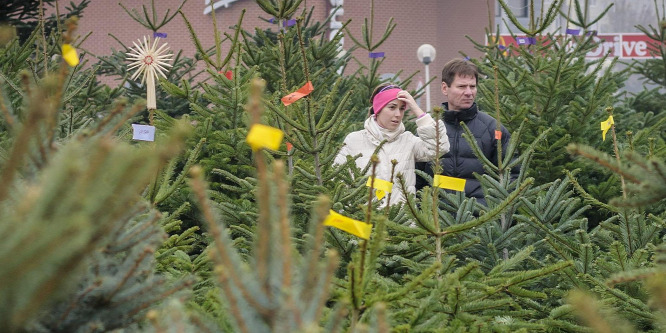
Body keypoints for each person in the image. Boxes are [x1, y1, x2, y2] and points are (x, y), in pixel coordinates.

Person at [416, 58, 515, 206]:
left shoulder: (493, 129)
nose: (469, 92)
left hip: (481, 218)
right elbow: (415, 179)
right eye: (462, 86)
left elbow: (512, 174)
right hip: (436, 220)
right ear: (445, 88)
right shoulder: (429, 130)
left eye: (472, 86)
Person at [334, 83, 450, 206]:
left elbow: (439, 148)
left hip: (402, 222)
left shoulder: (408, 141)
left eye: (402, 108)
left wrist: (417, 110)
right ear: (378, 109)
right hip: (365, 220)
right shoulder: (354, 140)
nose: (398, 114)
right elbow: (336, 180)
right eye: (392, 107)